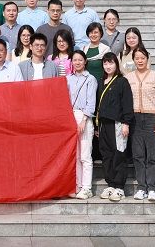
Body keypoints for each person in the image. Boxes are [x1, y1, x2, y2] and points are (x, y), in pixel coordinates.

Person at [128, 48, 155, 202]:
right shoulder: (129, 77)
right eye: (137, 58)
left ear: (147, 59)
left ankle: (151, 188)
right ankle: (141, 187)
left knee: (152, 156)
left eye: (142, 58)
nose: (140, 60)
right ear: (133, 60)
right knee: (138, 155)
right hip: (135, 118)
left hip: (152, 118)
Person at [95, 52, 134, 202]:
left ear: (116, 64)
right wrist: (97, 126)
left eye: (110, 63)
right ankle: (110, 184)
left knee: (119, 153)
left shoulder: (122, 81)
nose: (108, 66)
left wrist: (126, 123)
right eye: (105, 63)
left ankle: (119, 187)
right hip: (103, 124)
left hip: (117, 123)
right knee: (106, 154)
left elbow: (127, 103)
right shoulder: (101, 81)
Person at [67, 51, 97, 200]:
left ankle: (86, 187)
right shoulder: (68, 79)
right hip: (70, 116)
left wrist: (84, 120)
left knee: (85, 155)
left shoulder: (90, 79)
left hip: (84, 116)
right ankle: (77, 185)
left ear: (85, 61)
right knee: (76, 155)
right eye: (75, 60)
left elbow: (91, 102)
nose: (77, 62)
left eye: (80, 60)